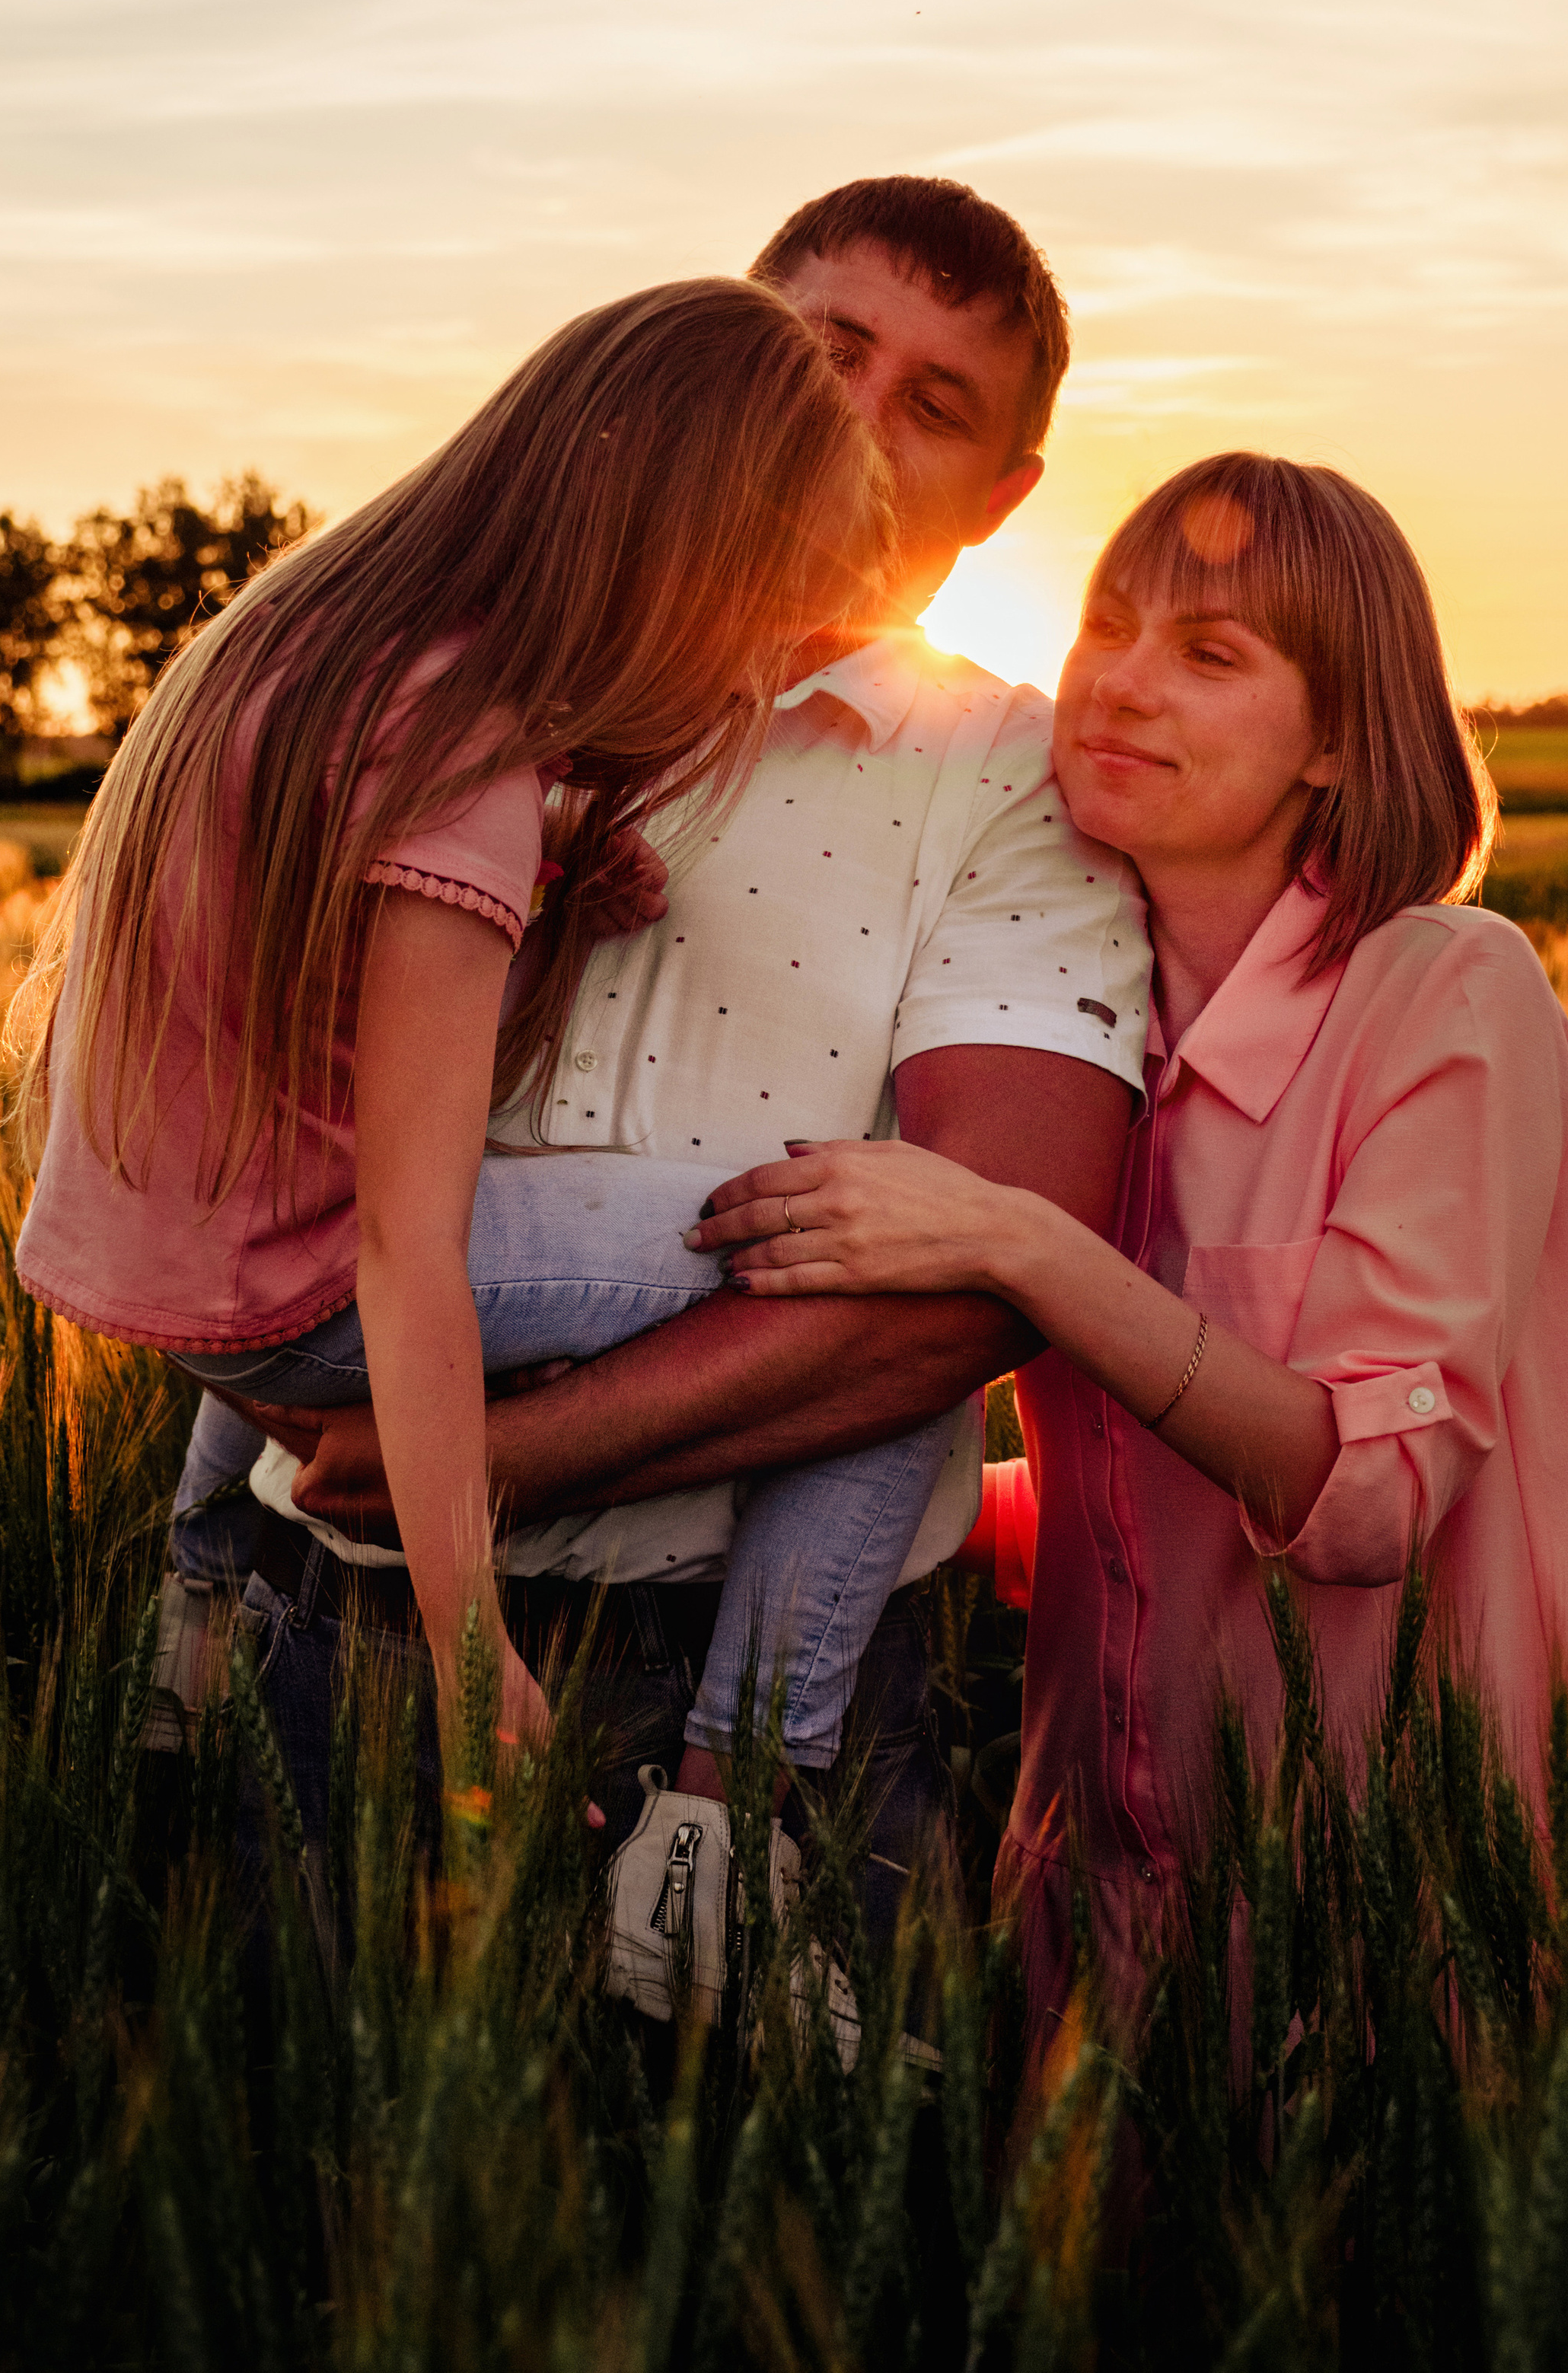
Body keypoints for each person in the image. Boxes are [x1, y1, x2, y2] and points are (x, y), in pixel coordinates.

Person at [230, 177, 1154, 1934]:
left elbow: (988, 1277)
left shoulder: (1017, 783)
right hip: (339, 1617)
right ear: (730, 347)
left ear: (1003, 497)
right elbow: (216, 1089)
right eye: (825, 351)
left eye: (932, 404)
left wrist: (469, 1456)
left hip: (771, 1682)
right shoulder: (462, 682)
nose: (853, 423)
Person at [686, 450, 1568, 2024]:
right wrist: (807, 1461)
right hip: (1097, 1883)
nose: (1120, 682)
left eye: (1207, 653)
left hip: (1406, 1897)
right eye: (1107, 627)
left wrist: (1019, 1244)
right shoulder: (1057, 1049)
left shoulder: (1444, 991)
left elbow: (1368, 1496)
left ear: (1337, 737)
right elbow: (1116, 1501)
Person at [8, 276, 894, 1765]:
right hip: (296, 1307)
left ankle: (196, 1603)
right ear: (667, 550)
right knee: (875, 1275)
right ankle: (740, 1796)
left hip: (155, 1255)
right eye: (761, 614)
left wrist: (543, 857)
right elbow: (407, 1254)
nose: (757, 672)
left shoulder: (311, 632)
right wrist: (470, 1653)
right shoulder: (464, 775)